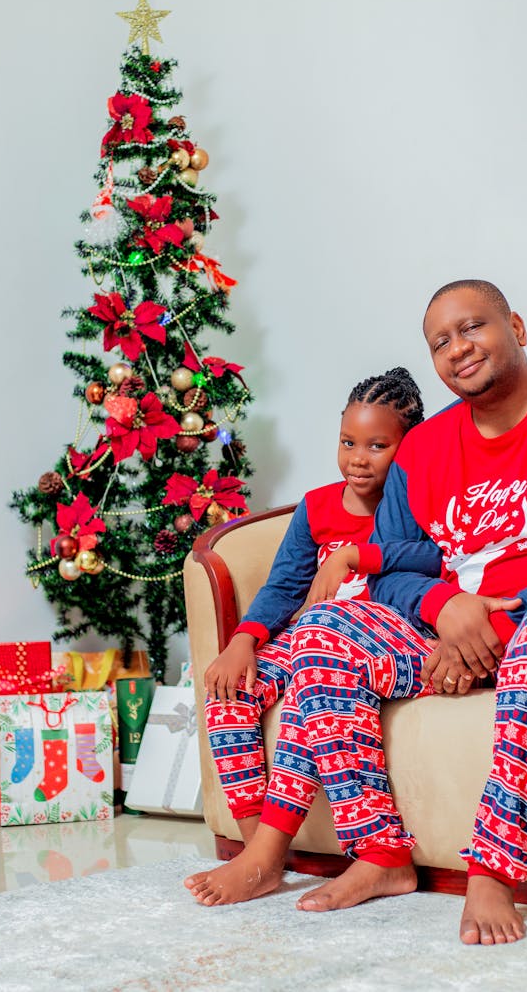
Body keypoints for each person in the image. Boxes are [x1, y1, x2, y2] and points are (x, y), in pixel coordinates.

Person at [265, 279, 527, 942]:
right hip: (456, 630)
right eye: (440, 342)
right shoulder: (422, 449)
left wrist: (500, 619)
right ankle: (379, 854)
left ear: (518, 328)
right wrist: (446, 607)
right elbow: (391, 569)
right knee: (325, 628)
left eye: (472, 327)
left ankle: (493, 873)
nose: (458, 348)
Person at [184, 366, 425, 904]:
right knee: (231, 685)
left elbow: (439, 560)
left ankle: (269, 859)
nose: (357, 458)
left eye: (377, 445)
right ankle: (259, 855)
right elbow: (283, 586)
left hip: (388, 644)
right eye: (347, 442)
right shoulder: (316, 508)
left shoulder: (417, 503)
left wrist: (360, 556)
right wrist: (244, 640)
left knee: (311, 672)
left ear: (408, 447)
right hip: (308, 638)